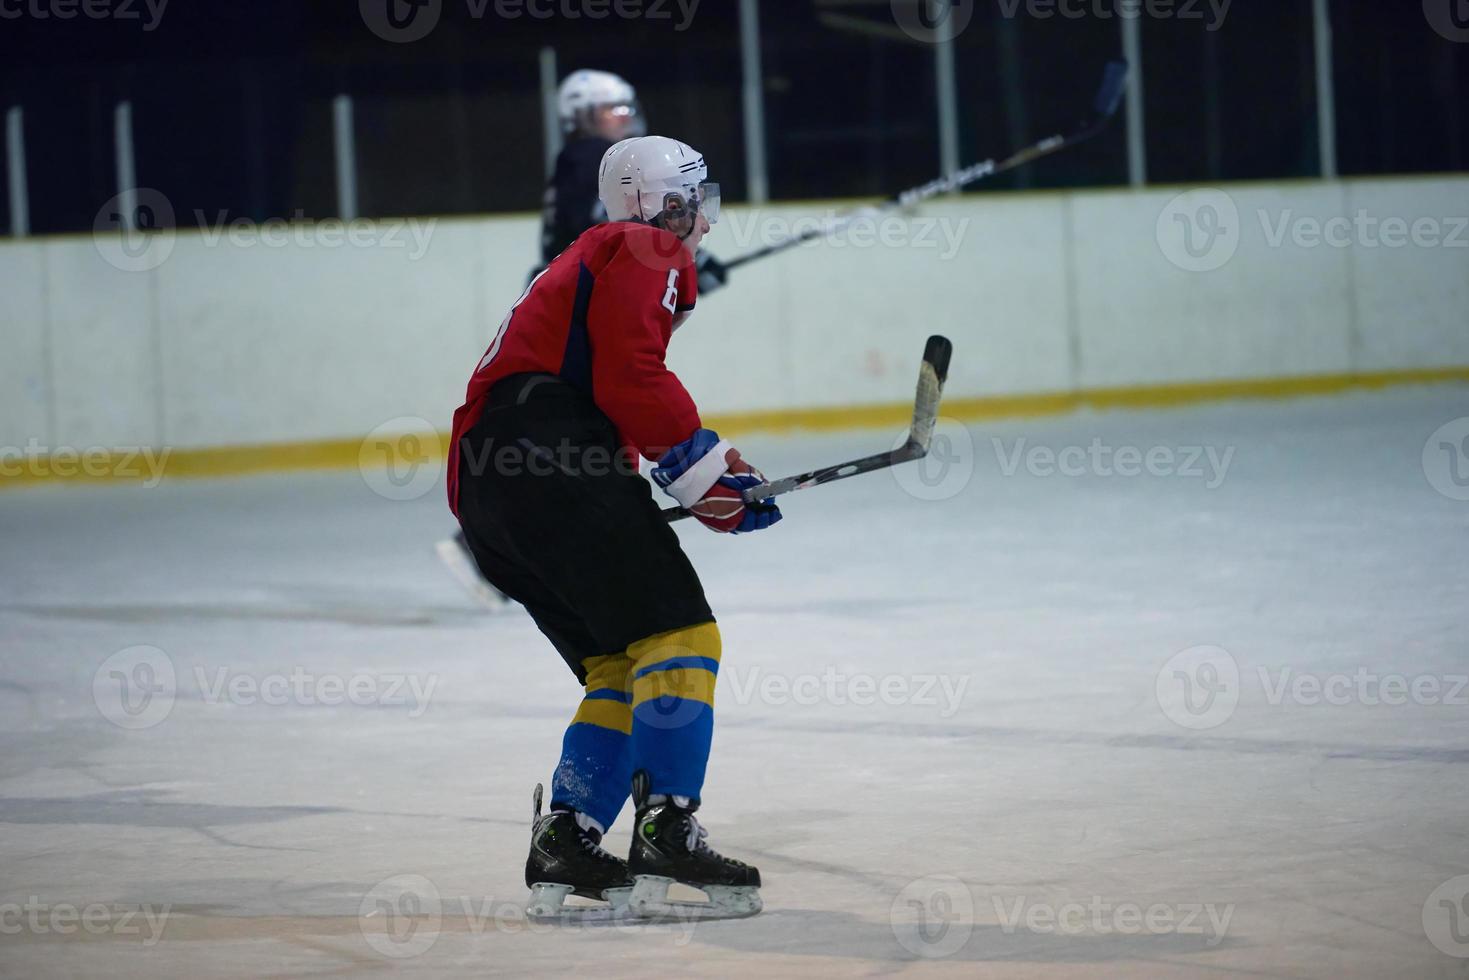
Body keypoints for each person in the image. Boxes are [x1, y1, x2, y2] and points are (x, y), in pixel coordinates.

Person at [447, 135, 778, 920]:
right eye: (693, 199)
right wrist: (701, 474)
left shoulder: (593, 255)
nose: (702, 217)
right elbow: (632, 373)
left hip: (487, 487)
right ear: (666, 203)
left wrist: (700, 476)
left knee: (619, 665)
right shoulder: (642, 245)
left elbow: (603, 388)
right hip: (548, 458)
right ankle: (668, 826)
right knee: (681, 637)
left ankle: (568, 836)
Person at [436, 69, 729, 610]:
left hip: (565, 290)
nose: (622, 119)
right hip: (583, 298)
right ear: (581, 118)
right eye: (610, 111)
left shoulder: (598, 178)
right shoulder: (592, 161)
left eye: (625, 109)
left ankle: (511, 536)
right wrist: (697, 470)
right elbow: (632, 372)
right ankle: (499, 542)